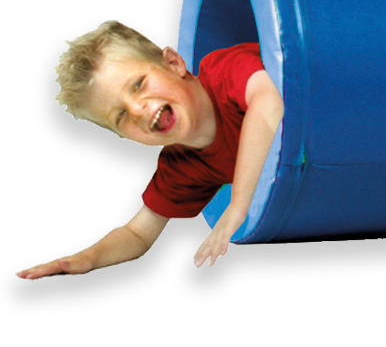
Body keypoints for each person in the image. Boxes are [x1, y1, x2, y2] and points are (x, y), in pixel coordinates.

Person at [16, 21, 284, 279]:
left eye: (138, 84)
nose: (137, 109)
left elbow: (269, 101)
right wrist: (86, 260)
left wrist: (238, 206)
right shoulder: (181, 165)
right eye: (120, 116)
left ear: (174, 63)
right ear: (124, 137)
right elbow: (137, 234)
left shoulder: (225, 69)